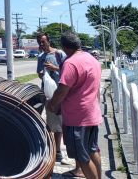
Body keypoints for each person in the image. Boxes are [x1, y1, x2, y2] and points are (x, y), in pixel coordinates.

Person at [48, 32, 102, 179]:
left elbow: (61, 91)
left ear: (64, 47)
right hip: (92, 114)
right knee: (92, 150)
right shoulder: (92, 59)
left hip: (77, 117)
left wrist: (52, 105)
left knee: (82, 157)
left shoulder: (70, 63)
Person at [36, 33, 67, 163]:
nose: (41, 45)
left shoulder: (59, 54)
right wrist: (42, 74)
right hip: (48, 93)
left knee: (60, 123)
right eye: (39, 42)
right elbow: (38, 73)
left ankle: (58, 151)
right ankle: (54, 150)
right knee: (52, 122)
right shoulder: (41, 57)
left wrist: (54, 68)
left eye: (43, 42)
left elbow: (67, 70)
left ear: (49, 41)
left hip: (61, 93)